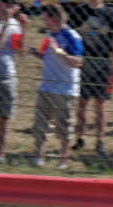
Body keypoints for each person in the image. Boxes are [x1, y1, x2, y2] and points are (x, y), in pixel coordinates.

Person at [29, 5, 82, 169]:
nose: (44, 22)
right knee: (40, 124)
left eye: (46, 18)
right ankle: (39, 156)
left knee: (64, 126)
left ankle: (63, 160)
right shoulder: (50, 35)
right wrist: (34, 53)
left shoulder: (72, 36)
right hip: (46, 86)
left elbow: (77, 62)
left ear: (55, 18)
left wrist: (58, 50)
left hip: (65, 89)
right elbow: (47, 57)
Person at [72, 0, 113, 155]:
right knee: (82, 102)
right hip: (83, 61)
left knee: (100, 104)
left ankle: (100, 141)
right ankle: (80, 137)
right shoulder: (79, 11)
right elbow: (71, 34)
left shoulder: (110, 13)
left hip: (103, 62)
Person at [0, 0, 25, 163]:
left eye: (15, 4)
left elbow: (19, 50)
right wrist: (5, 22)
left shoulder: (15, 24)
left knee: (5, 118)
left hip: (8, 76)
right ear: (0, 3)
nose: (13, 6)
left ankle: (1, 154)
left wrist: (24, 28)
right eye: (9, 3)